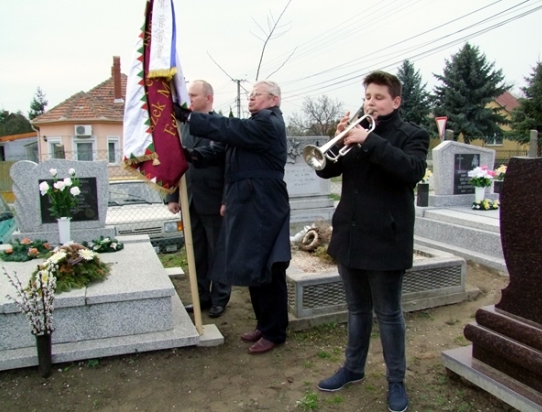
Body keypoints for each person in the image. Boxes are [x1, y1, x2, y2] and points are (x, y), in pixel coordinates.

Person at [315, 71, 430, 412]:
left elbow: (411, 170)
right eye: (367, 97)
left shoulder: (412, 134)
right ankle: (353, 368)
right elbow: (326, 170)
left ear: (396, 101)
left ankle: (396, 381)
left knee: (389, 314)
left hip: (386, 240)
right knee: (356, 310)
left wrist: (368, 140)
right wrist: (337, 141)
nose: (370, 103)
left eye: (378, 97)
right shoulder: (357, 132)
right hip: (350, 236)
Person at [174, 80, 291, 355]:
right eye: (250, 94)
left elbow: (228, 128)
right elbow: (220, 150)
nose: (251, 98)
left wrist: (189, 117)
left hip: (264, 201)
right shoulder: (252, 126)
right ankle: (264, 324)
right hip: (250, 201)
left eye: (257, 94)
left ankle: (275, 331)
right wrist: (191, 155)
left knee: (270, 268)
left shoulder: (268, 123)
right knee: (254, 266)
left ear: (273, 100)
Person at [165, 80, 231, 318]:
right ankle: (201, 295)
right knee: (197, 253)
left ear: (208, 98)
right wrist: (172, 195)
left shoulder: (221, 126)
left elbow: (229, 167)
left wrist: (227, 199)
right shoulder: (182, 126)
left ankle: (219, 298)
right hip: (189, 199)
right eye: (188, 95)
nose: (188, 99)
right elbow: (175, 162)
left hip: (214, 200)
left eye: (193, 95)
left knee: (218, 252)